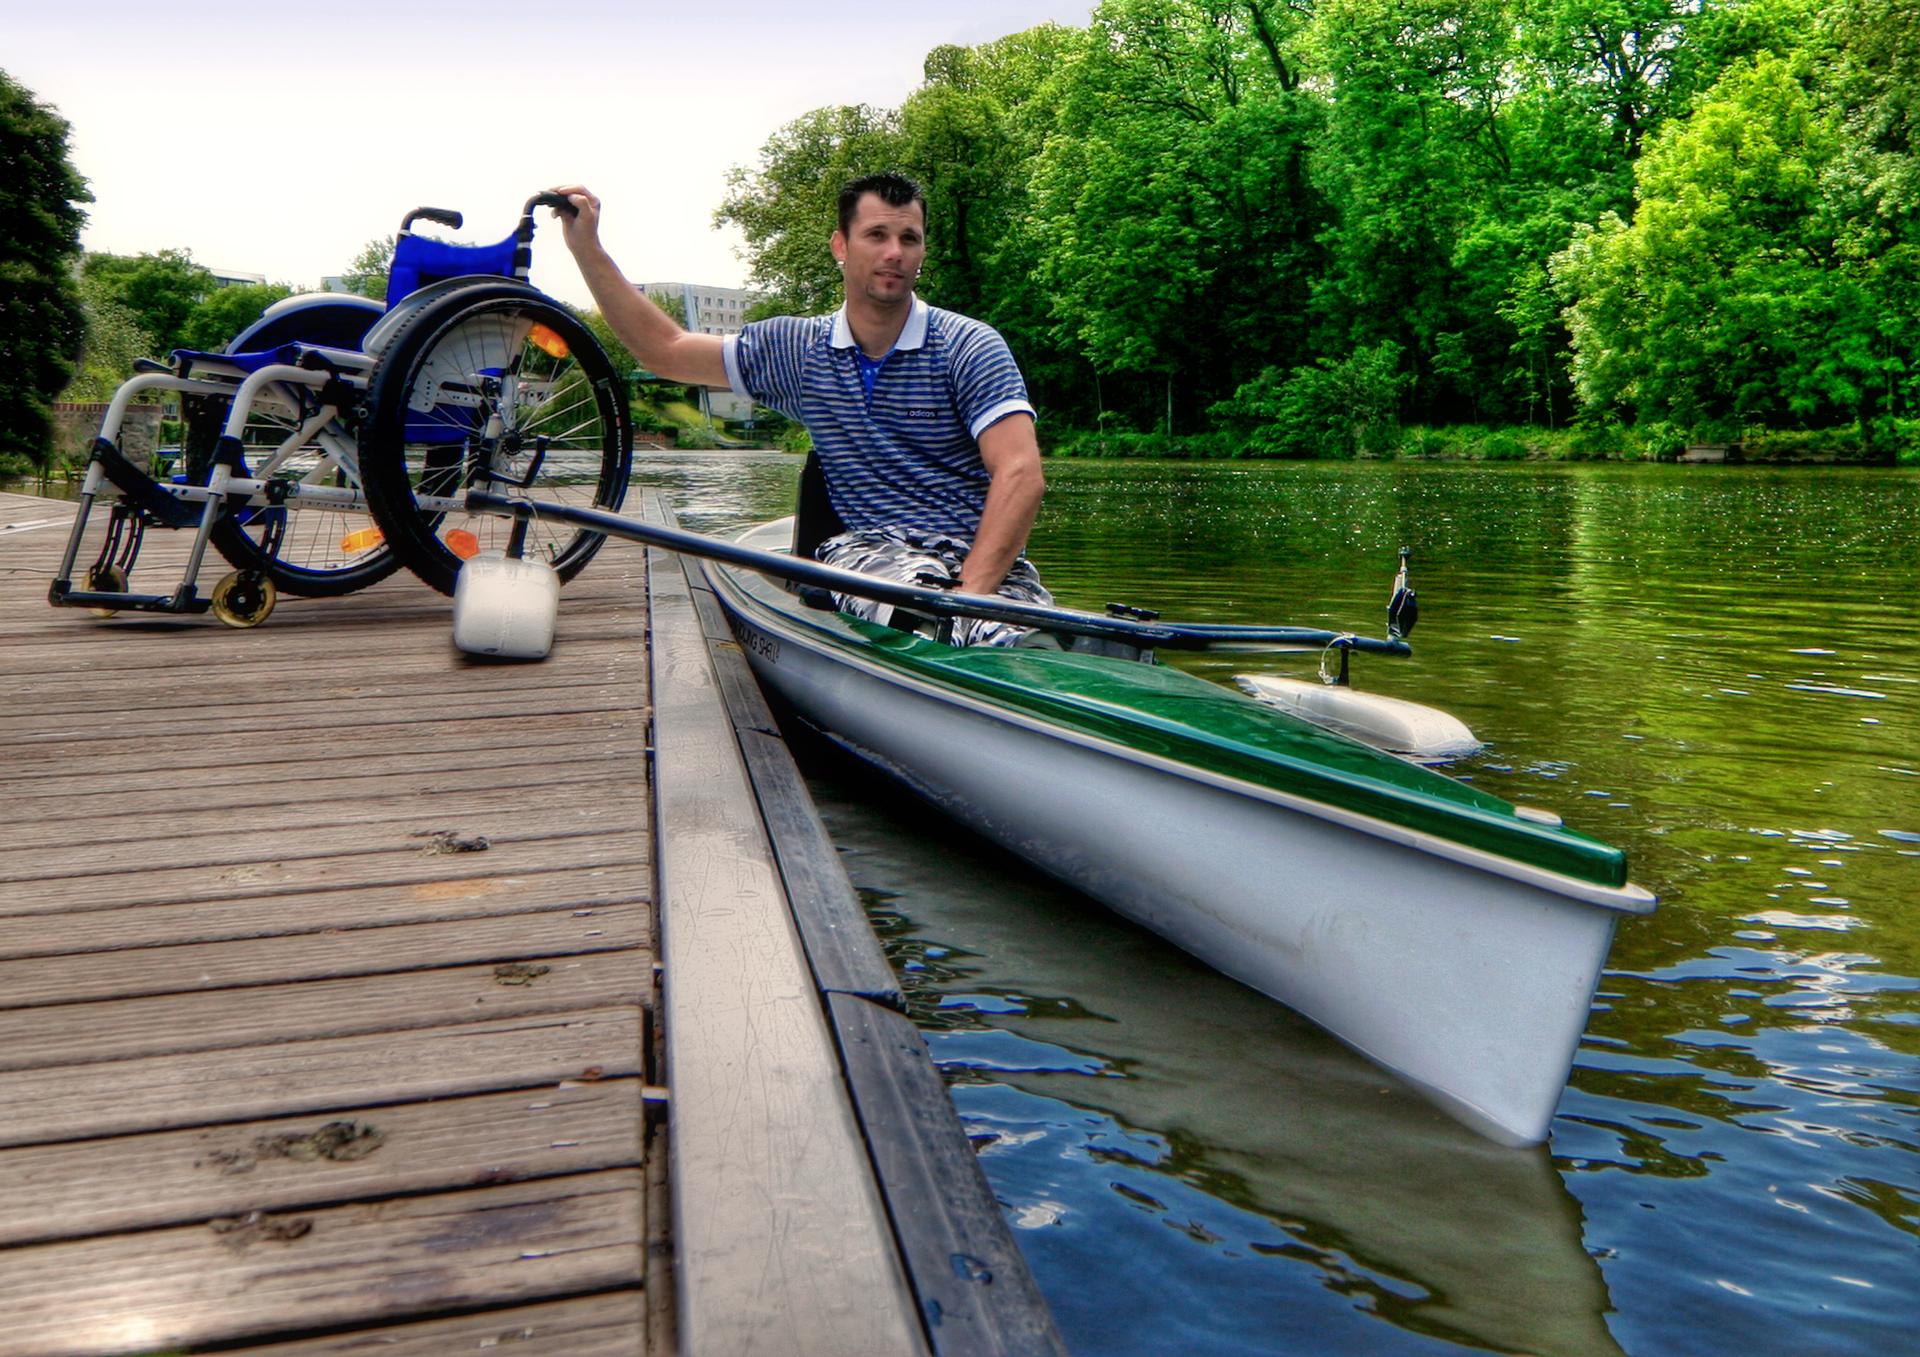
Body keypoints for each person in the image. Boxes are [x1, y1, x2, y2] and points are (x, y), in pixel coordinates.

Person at [550, 173, 1049, 646]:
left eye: (909, 238)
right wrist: (587, 249)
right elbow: (665, 349)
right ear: (841, 246)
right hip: (872, 552)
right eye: (876, 235)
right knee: (919, 618)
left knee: (1032, 637)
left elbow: (1020, 472)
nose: (894, 253)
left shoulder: (971, 345)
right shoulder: (796, 349)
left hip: (981, 560)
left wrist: (971, 595)